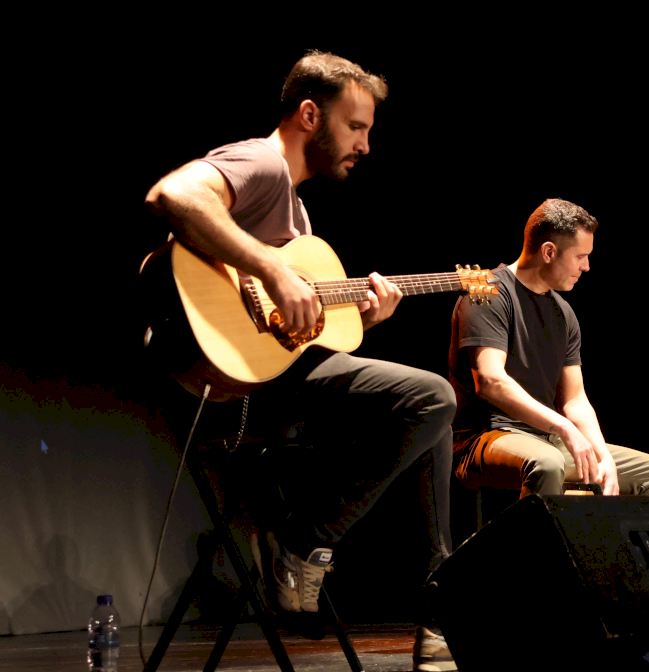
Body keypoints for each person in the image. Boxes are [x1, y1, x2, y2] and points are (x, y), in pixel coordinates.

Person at [144, 50, 456, 670]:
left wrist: (359, 318)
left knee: (434, 422)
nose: (365, 145)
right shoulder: (261, 162)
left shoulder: (295, 210)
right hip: (234, 391)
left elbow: (298, 332)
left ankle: (436, 609)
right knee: (432, 398)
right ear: (310, 115)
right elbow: (171, 195)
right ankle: (307, 543)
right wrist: (271, 270)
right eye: (355, 126)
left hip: (273, 380)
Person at [449, 198, 649, 500]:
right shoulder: (488, 292)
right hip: (486, 438)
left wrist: (603, 455)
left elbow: (575, 399)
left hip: (546, 439)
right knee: (547, 463)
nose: (587, 266)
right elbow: (491, 382)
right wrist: (566, 429)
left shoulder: (563, 313)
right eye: (580, 256)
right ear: (549, 252)